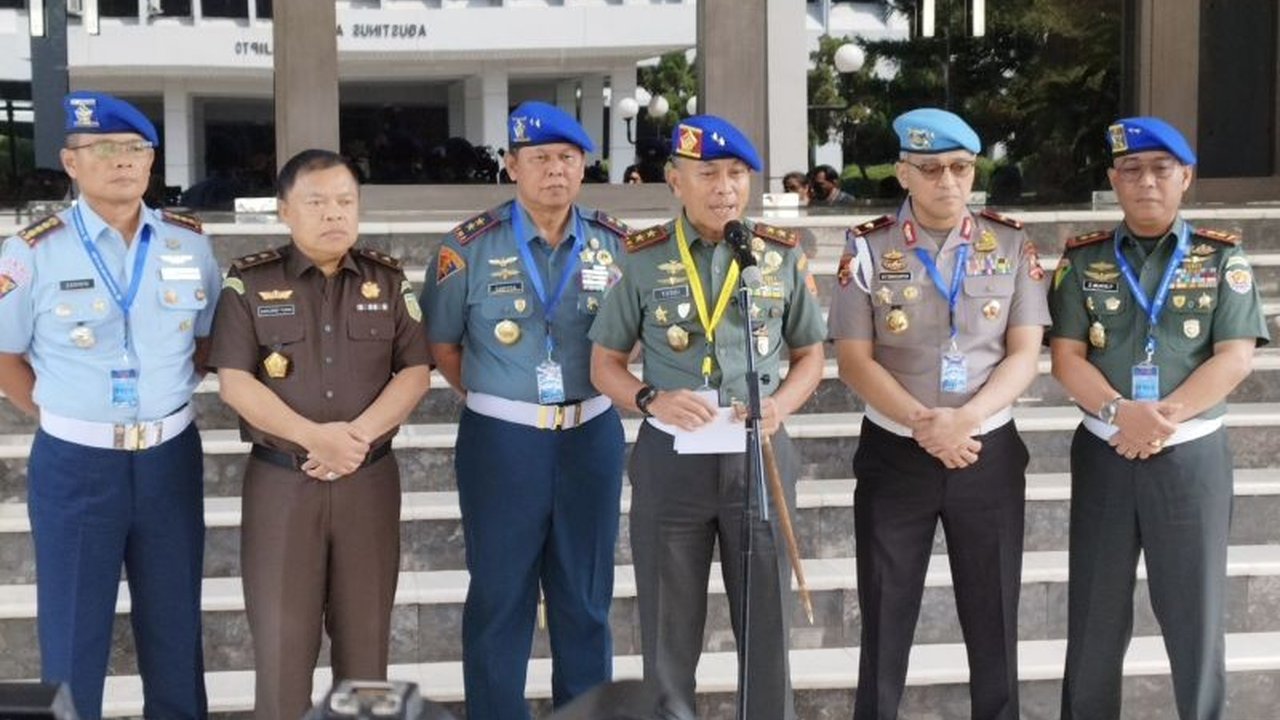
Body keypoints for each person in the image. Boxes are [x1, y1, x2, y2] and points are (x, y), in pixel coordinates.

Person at [589, 114, 827, 719]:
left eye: (736, 174)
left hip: (761, 455)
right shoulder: (641, 259)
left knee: (767, 620)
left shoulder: (776, 256)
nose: (725, 187)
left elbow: (810, 355)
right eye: (709, 174)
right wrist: (650, 400)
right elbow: (605, 364)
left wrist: (780, 406)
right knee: (669, 623)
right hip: (673, 457)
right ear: (675, 180)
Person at [0, 91, 218, 720]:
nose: (122, 161)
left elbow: (205, 342)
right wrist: (62, 417)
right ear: (71, 162)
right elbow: (6, 354)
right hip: (76, 466)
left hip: (169, 461)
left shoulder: (188, 243)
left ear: (151, 160)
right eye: (103, 149)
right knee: (72, 638)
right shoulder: (33, 250)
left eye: (135, 149)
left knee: (175, 631)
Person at [827, 107, 1050, 720]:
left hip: (987, 451)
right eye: (931, 169)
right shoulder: (867, 246)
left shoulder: (1009, 242)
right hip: (897, 451)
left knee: (994, 615)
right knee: (885, 612)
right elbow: (853, 360)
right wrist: (928, 425)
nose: (947, 181)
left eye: (960, 167)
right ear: (904, 173)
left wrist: (965, 419)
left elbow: (1026, 352)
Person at [1048, 117, 1269, 720]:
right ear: (1113, 181)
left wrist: (1163, 420)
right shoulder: (1081, 260)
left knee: (1195, 614)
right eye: (1131, 170)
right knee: (1095, 615)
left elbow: (1236, 357)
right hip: (1104, 452)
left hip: (1190, 457)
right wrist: (1121, 412)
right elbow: (1066, 358)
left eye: (1160, 169)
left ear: (1186, 178)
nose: (1146, 180)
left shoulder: (1223, 259)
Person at [420, 101, 630, 720]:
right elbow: (443, 345)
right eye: (539, 159)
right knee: (499, 597)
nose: (555, 172)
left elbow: (632, 337)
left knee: (586, 601)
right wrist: (502, 398)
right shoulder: (467, 248)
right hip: (502, 443)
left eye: (567, 158)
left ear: (584, 167)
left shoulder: (617, 245)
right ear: (512, 166)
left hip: (590, 434)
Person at [206, 149, 431, 720]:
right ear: (285, 210)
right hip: (284, 488)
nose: (334, 214)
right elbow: (235, 382)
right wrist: (316, 438)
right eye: (317, 202)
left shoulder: (387, 278)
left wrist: (353, 438)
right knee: (283, 653)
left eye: (345, 201)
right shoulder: (248, 282)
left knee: (366, 651)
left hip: (369, 482)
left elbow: (414, 372)